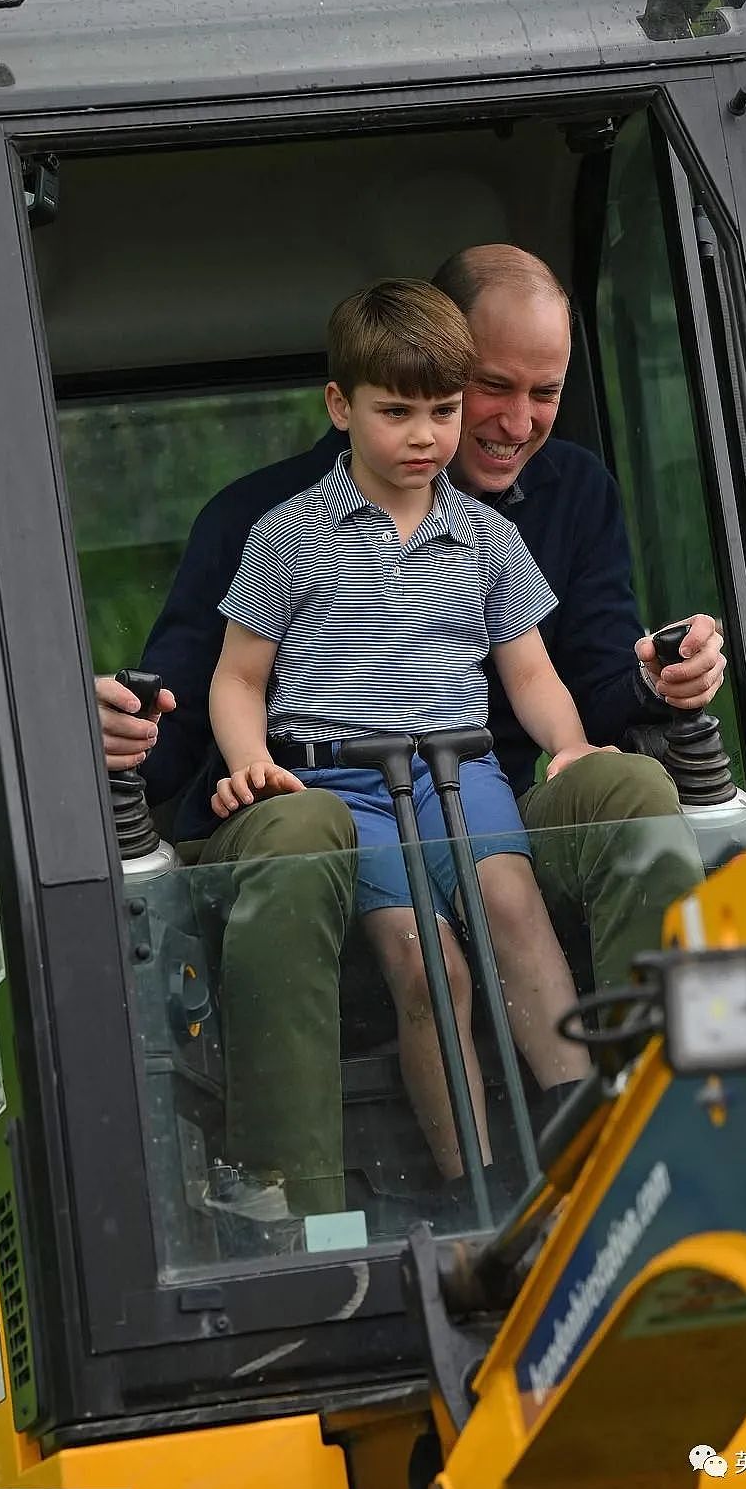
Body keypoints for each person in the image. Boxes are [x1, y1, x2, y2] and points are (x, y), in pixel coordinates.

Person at [96, 243, 724, 1217]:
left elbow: (565, 678)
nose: (510, 422)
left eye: (543, 392)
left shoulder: (549, 507)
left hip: (481, 787)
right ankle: (306, 1209)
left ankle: (649, 1144)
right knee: (332, 867)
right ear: (363, 395)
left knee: (630, 793)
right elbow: (204, 700)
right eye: (484, 389)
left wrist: (649, 682)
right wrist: (133, 736)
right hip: (325, 798)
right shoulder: (270, 525)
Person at [209, 278, 592, 1183]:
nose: (426, 436)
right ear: (340, 407)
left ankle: (591, 1141)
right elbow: (237, 676)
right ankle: (479, 1185)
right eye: (398, 412)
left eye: (445, 411)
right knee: (429, 970)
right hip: (344, 784)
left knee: (513, 910)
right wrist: (253, 764)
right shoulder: (288, 535)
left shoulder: (489, 539)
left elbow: (529, 671)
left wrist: (568, 746)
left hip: (462, 769)